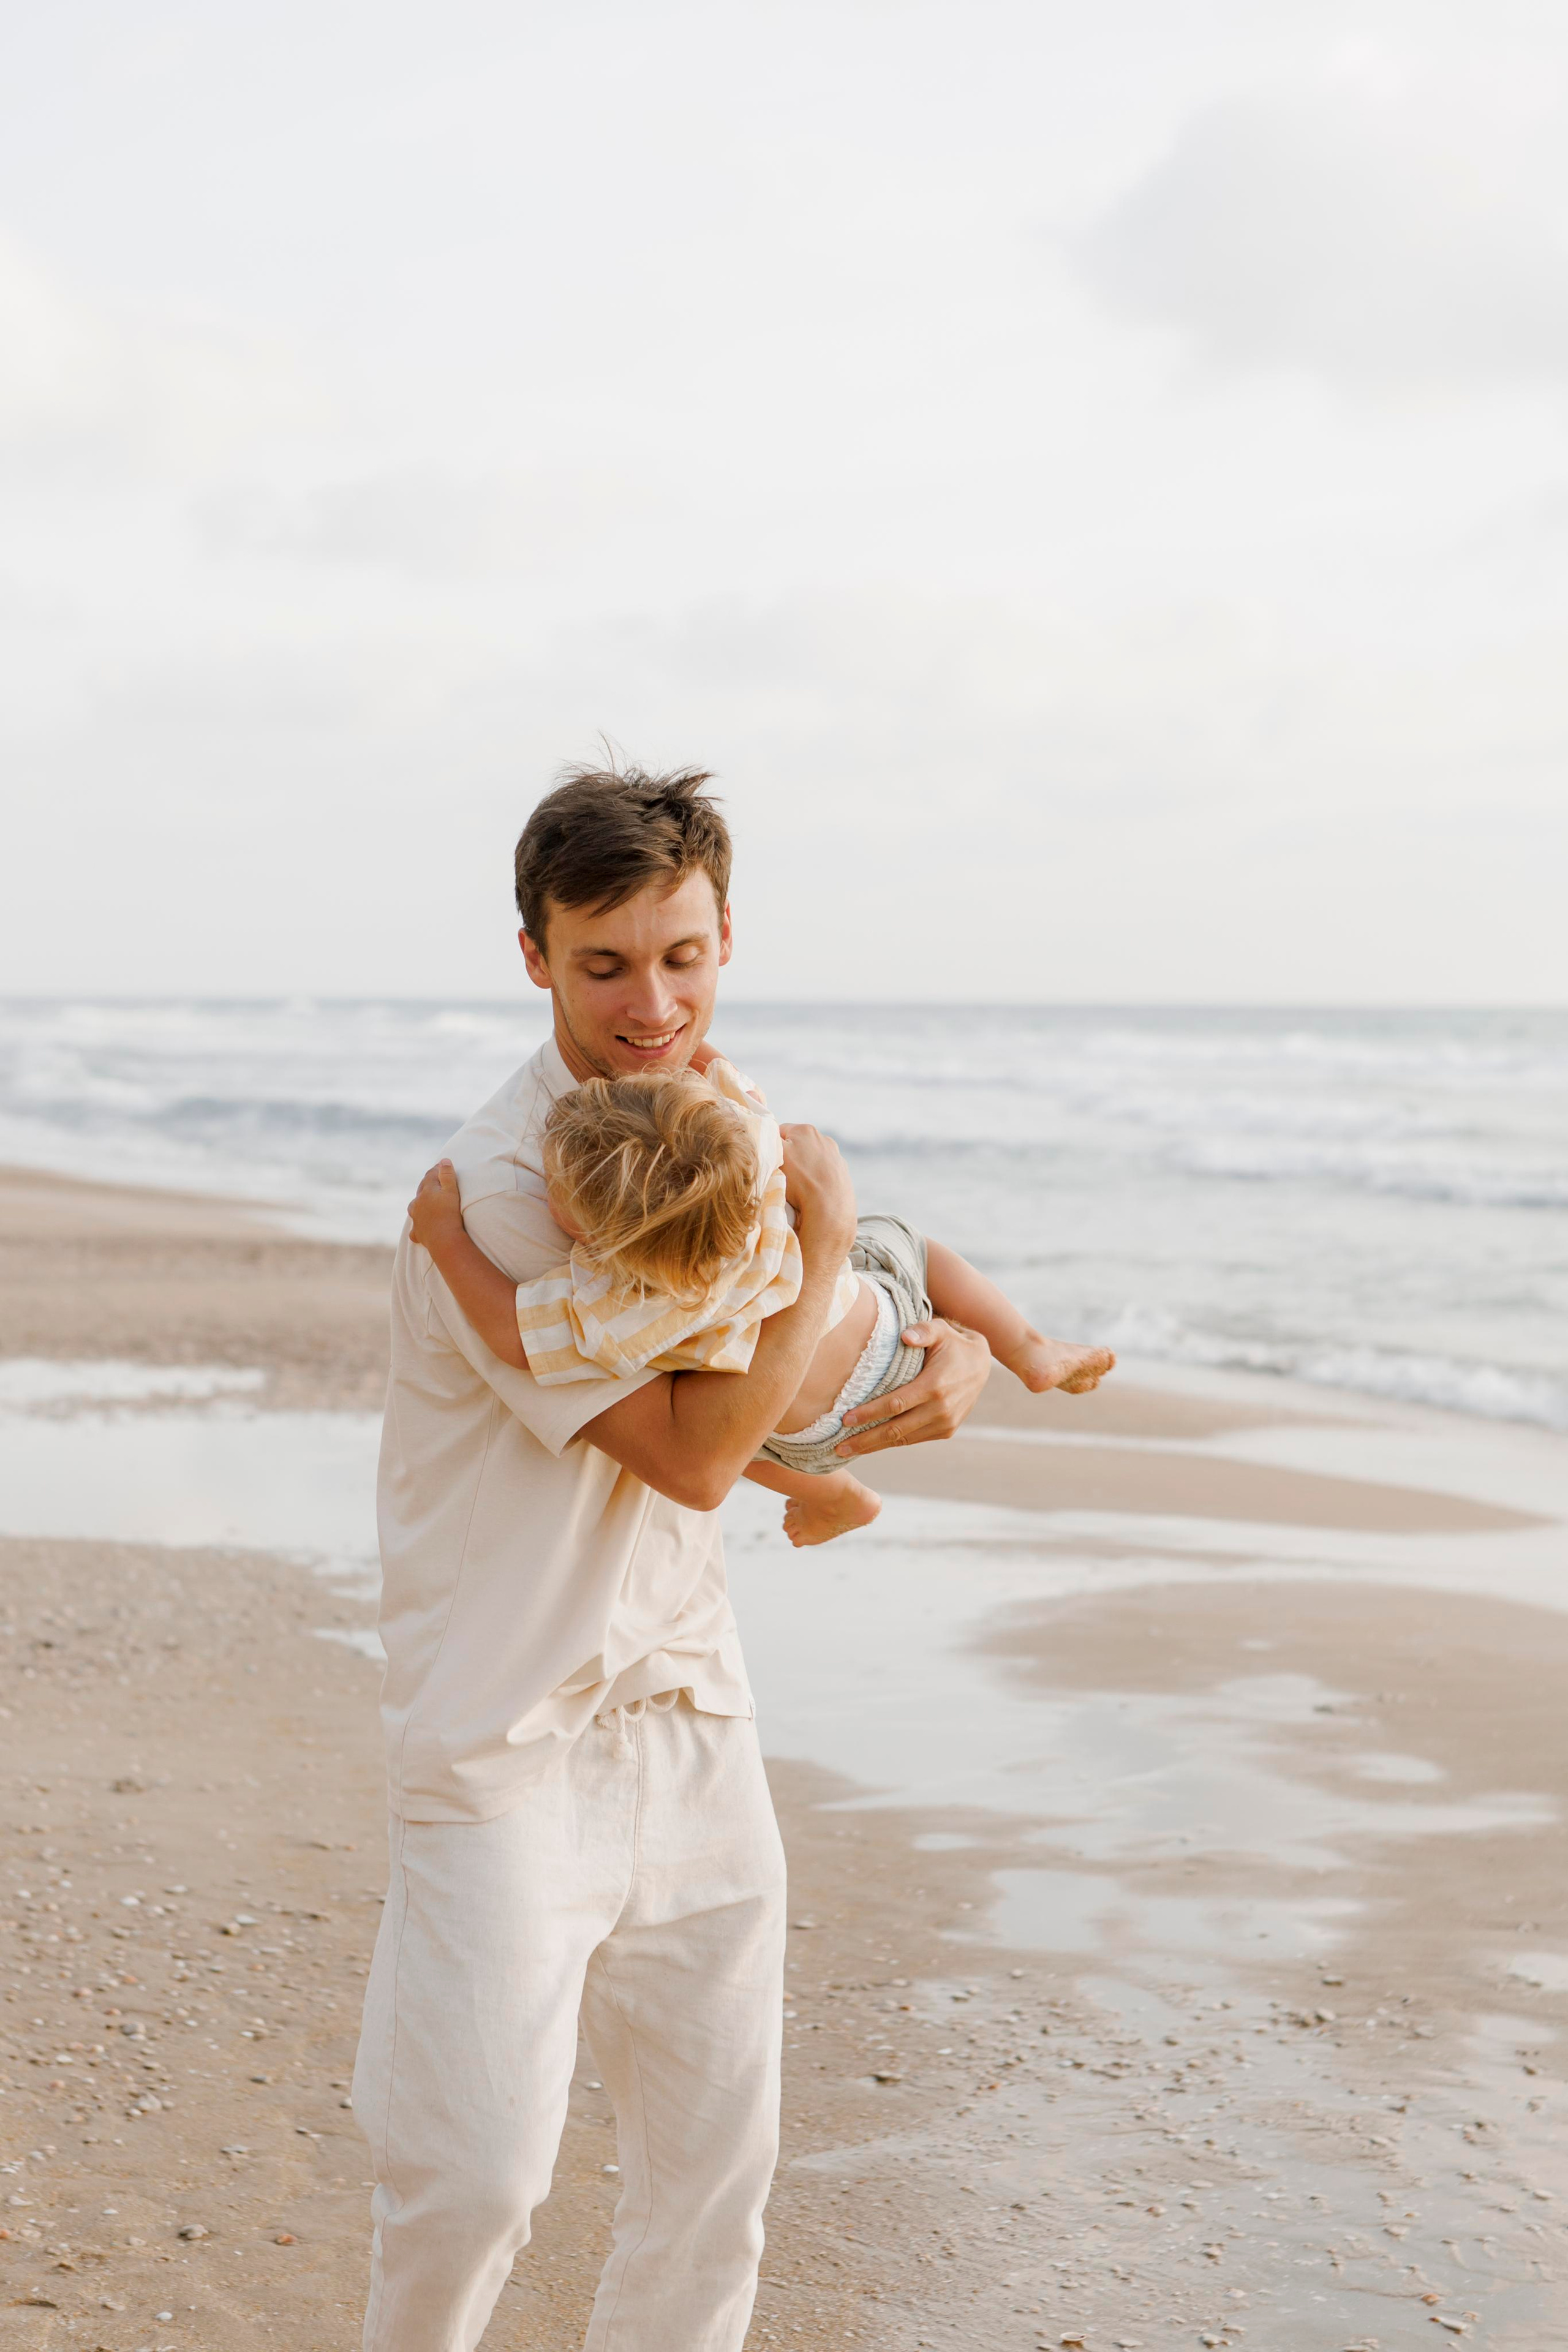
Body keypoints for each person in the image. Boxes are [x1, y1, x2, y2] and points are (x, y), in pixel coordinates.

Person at [350, 762, 1090, 2352]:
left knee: (713, 2182)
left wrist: (942, 1355)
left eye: (681, 956)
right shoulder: (516, 1184)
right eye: (605, 962)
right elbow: (690, 1452)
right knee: (470, 2183)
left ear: (729, 937)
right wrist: (830, 1246)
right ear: (534, 955)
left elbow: (738, 1393)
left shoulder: (715, 1110)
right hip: (507, 1738)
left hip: (687, 1708)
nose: (651, 1002)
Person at [405, 1048, 1114, 1547]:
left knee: (725, 1418)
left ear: (591, 1229)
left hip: (804, 1438)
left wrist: (444, 1239)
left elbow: (512, 1335)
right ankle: (1029, 1347)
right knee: (907, 1245)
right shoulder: (748, 1160)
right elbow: (719, 1073)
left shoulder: (619, 1299)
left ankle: (834, 1496)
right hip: (891, 1332)